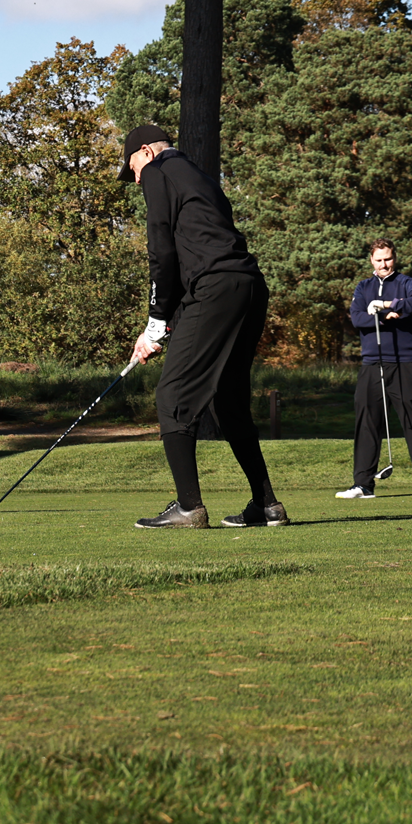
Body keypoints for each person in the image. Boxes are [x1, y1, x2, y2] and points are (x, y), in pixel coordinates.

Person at [120, 124, 287, 530]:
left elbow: (162, 251)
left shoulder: (159, 171)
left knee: (172, 395)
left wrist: (156, 322)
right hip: (248, 286)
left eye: (133, 168)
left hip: (215, 288)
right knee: (228, 401)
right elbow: (196, 251)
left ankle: (189, 507)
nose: (136, 178)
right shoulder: (198, 175)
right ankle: (267, 506)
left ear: (146, 151)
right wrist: (168, 324)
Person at [342, 240, 412, 499]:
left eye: (388, 259)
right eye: (379, 259)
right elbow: (357, 317)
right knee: (367, 420)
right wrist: (383, 318)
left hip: (404, 361)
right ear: (371, 260)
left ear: (394, 258)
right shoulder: (363, 287)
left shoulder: (407, 283)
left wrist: (387, 305)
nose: (384, 264)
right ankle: (363, 484)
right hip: (372, 362)